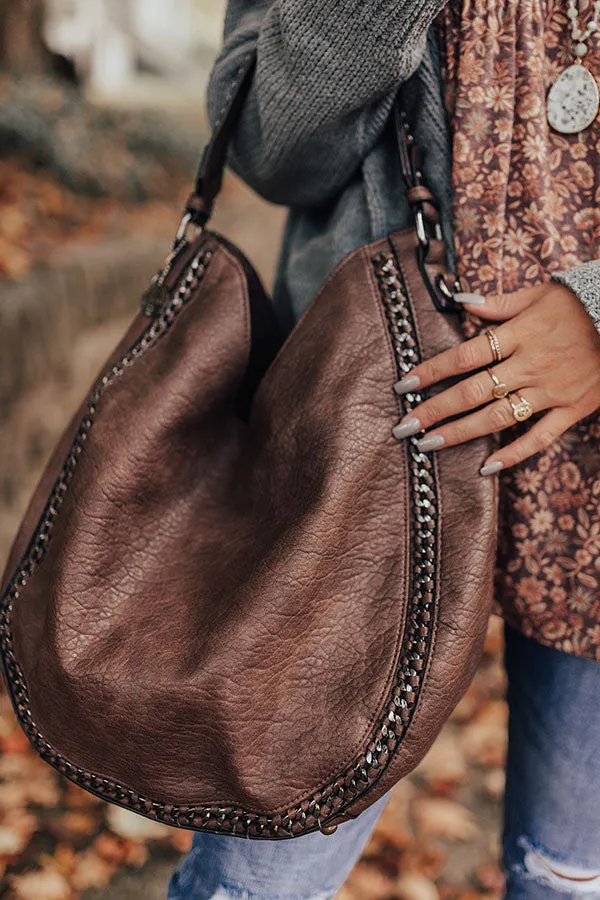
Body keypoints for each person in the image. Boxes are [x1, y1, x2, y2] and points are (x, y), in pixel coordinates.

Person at [168, 1, 600, 897]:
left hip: (589, 490)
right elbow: (267, 151)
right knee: (255, 883)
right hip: (361, 447)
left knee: (570, 875)